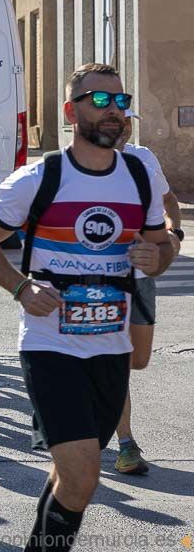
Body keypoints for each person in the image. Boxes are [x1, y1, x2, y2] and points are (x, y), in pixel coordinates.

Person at [0, 63, 173, 552]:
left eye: (120, 99)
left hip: (111, 346)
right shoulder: (42, 177)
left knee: (70, 475)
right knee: (82, 473)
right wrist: (20, 286)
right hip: (50, 345)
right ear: (70, 111)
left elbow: (161, 241)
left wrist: (162, 253)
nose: (113, 109)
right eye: (98, 98)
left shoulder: (141, 175)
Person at [112, 112, 182, 476]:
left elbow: (169, 200)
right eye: (115, 120)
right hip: (101, 280)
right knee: (117, 358)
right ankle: (126, 443)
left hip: (142, 275)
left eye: (127, 121)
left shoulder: (144, 158)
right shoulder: (77, 164)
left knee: (137, 358)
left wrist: (174, 236)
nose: (122, 126)